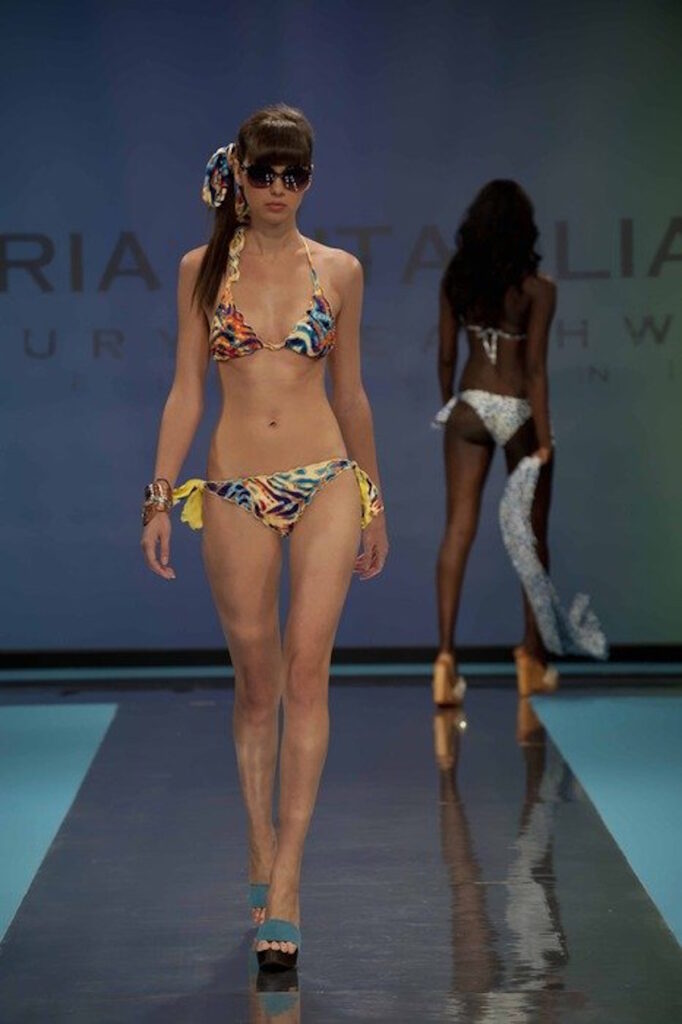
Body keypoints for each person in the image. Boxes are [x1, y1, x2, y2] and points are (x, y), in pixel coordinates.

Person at [140, 104, 388, 971]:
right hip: (234, 486)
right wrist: (159, 497)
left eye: (295, 174)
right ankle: (258, 840)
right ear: (238, 175)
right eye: (264, 172)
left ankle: (287, 883)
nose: (279, 188)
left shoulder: (342, 271)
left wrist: (373, 497)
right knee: (257, 685)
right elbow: (185, 391)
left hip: (326, 479)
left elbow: (351, 393)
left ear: (310, 181)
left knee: (307, 674)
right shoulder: (200, 269)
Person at [432, 180, 607, 707]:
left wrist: (452, 404)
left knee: (457, 529)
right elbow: (533, 371)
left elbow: (446, 355)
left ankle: (445, 660)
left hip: (470, 404)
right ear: (524, 229)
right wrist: (545, 439)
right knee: (531, 537)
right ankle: (531, 659)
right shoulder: (538, 289)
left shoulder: (456, 280)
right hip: (516, 410)